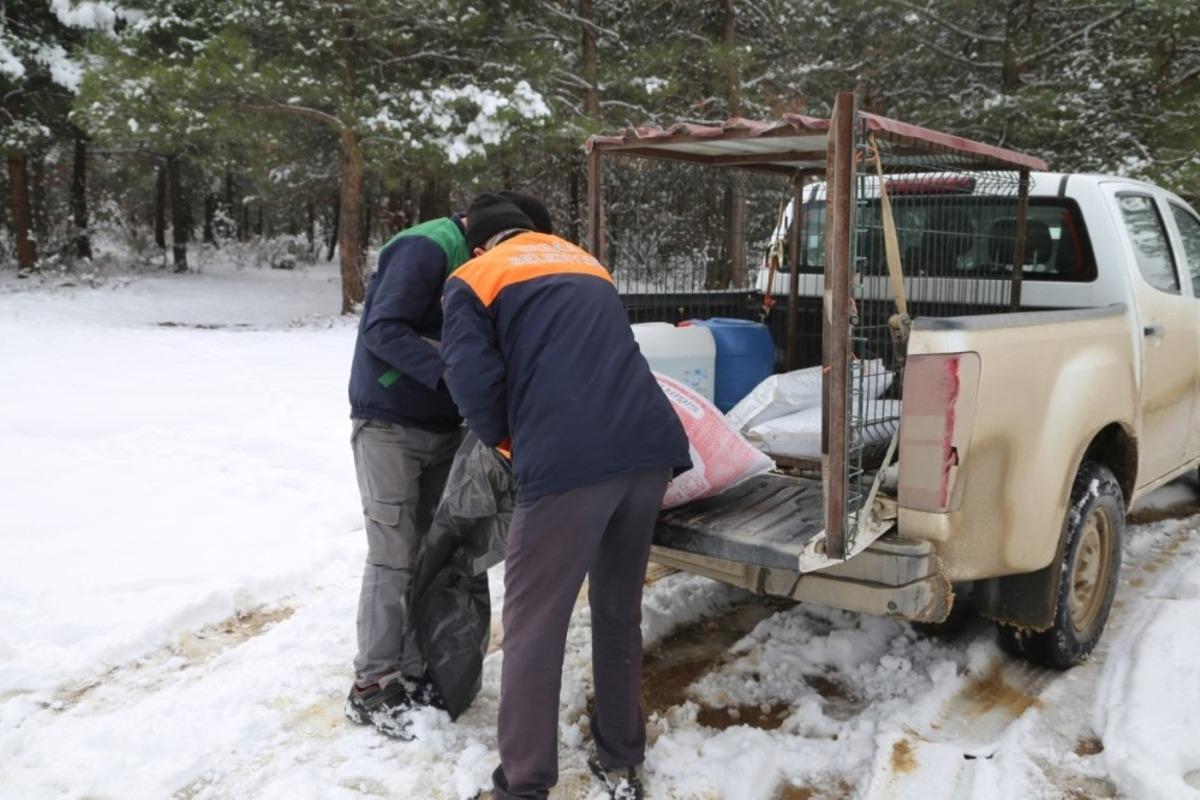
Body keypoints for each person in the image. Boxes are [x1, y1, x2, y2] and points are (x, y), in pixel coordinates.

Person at [441, 193, 691, 799]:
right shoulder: (587, 264)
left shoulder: (473, 277)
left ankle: (523, 784)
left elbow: (471, 381)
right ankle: (622, 755)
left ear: (481, 243)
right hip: (648, 450)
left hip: (568, 463)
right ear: (532, 233)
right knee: (616, 613)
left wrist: (511, 443)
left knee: (533, 627)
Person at [344, 210, 471, 738]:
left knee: (431, 551)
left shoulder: (485, 262)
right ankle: (372, 685)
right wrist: (456, 372)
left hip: (445, 426)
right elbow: (383, 327)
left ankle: (416, 670)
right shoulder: (427, 247)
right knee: (393, 556)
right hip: (391, 423)